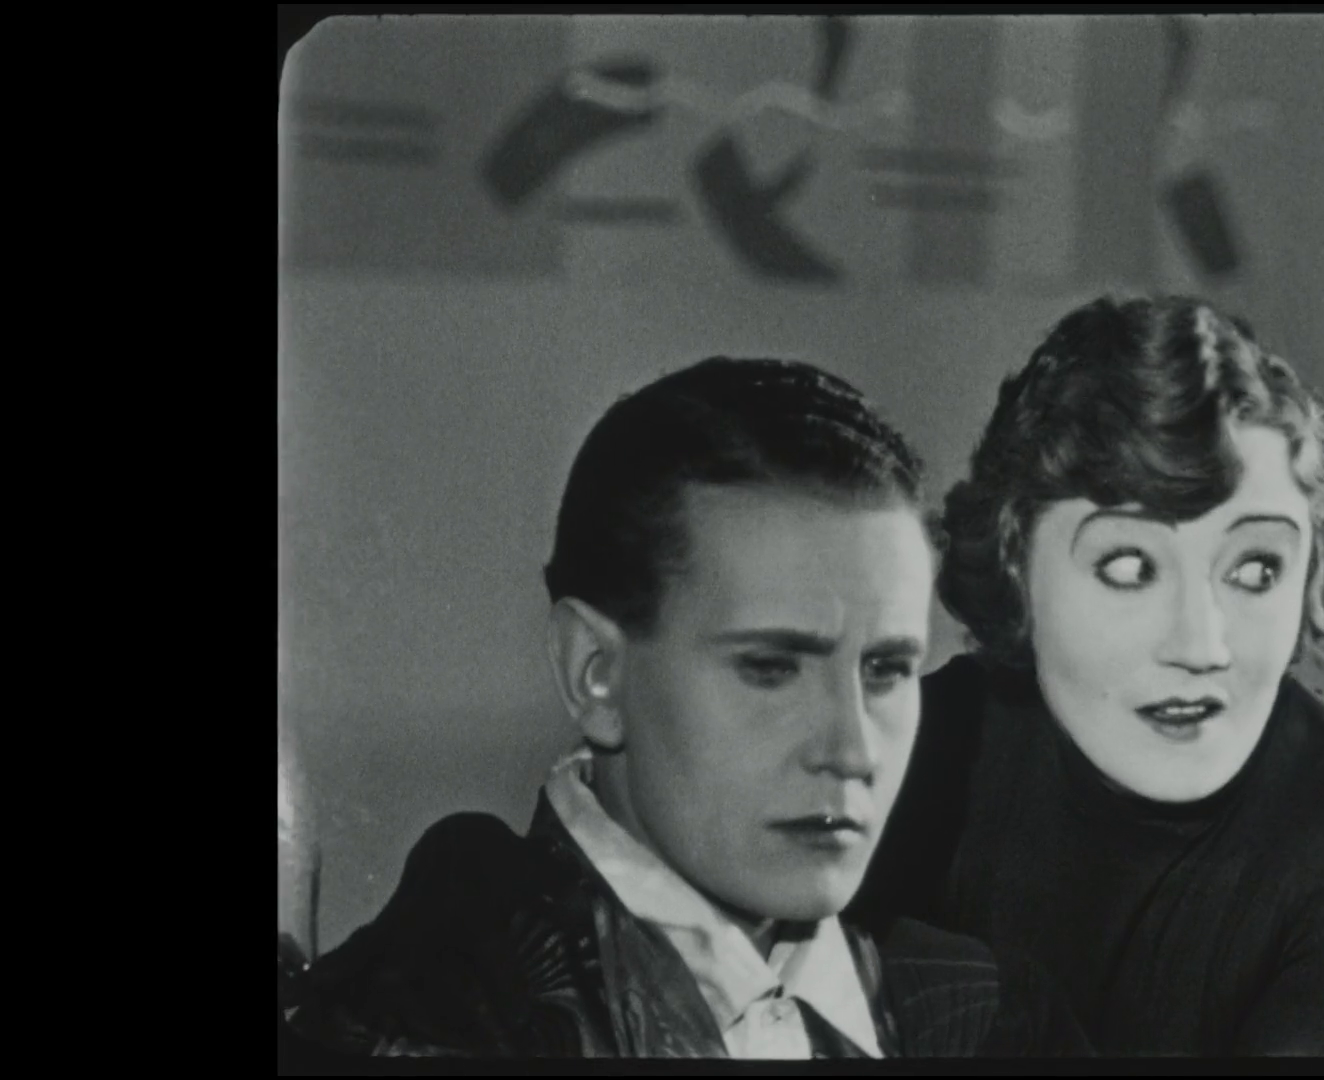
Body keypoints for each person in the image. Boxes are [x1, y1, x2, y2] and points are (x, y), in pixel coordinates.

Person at [281, 358, 1090, 1060]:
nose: (852, 749)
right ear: (595, 672)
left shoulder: (988, 1018)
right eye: (770, 668)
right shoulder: (405, 1024)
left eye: (885, 670)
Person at [848, 296, 1324, 1056]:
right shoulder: (914, 749)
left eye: (1255, 569)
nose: (1201, 645)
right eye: (1129, 567)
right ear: (1016, 564)